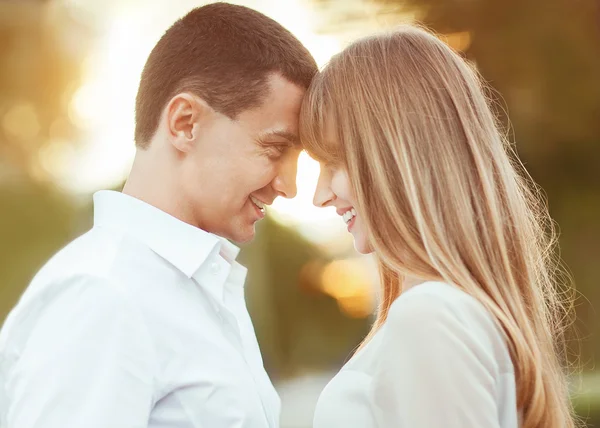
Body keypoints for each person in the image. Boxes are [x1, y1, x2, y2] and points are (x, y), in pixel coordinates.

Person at [0, 3, 317, 428]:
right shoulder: (103, 295)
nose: (289, 186)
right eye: (275, 149)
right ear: (185, 123)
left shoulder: (201, 290)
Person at [300, 25, 577, 428]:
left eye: (336, 161)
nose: (320, 195)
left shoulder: (429, 315)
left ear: (398, 154)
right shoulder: (452, 311)